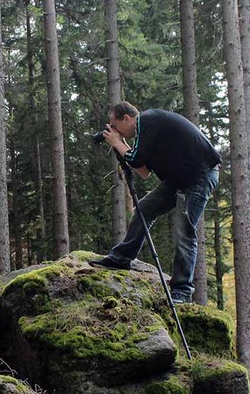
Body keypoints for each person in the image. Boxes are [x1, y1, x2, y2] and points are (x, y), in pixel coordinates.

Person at [90, 101, 221, 304]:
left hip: (199, 177)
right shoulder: (147, 134)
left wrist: (118, 143)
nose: (116, 132)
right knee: (144, 208)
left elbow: (135, 159)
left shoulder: (147, 120)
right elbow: (143, 171)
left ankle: (182, 290)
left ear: (127, 118)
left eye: (115, 126)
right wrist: (119, 144)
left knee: (184, 230)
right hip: (179, 179)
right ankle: (122, 258)